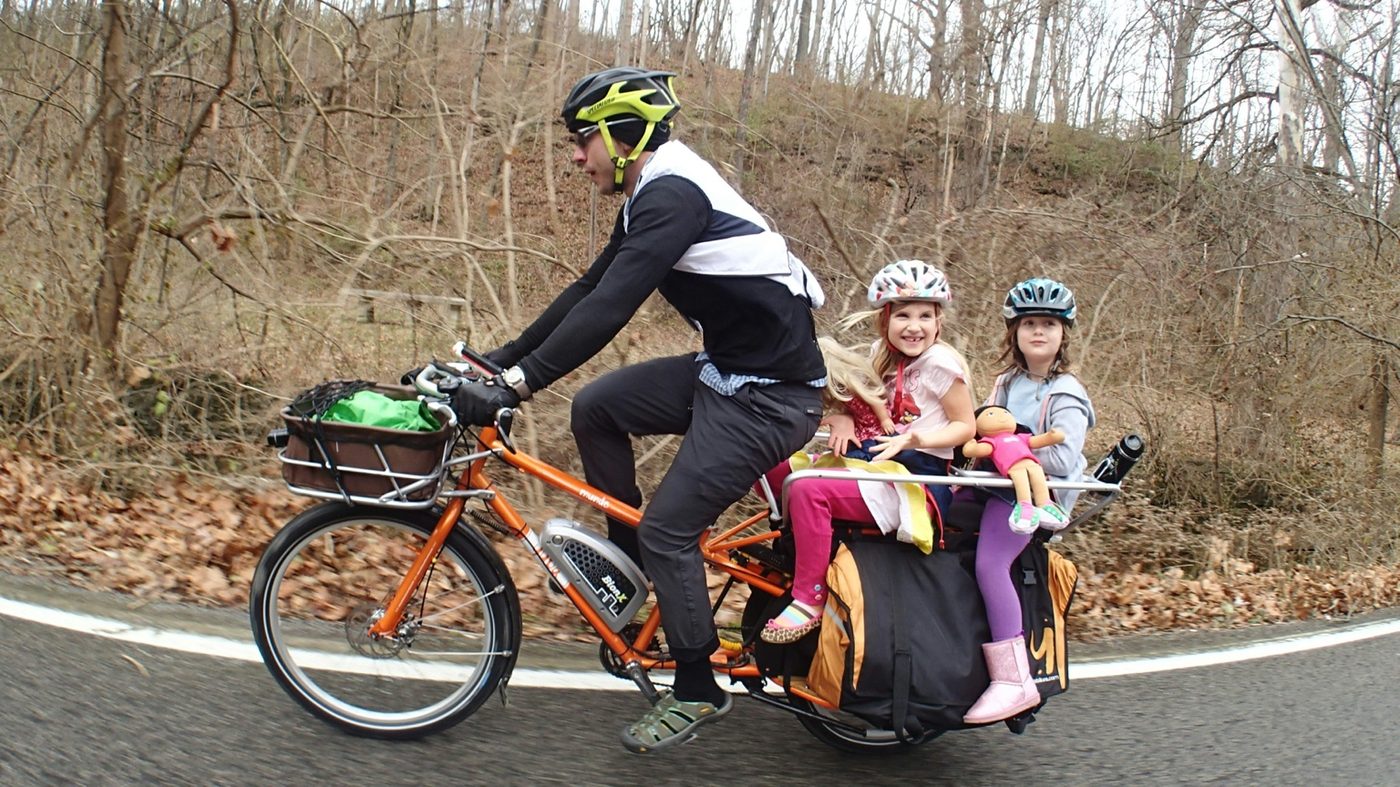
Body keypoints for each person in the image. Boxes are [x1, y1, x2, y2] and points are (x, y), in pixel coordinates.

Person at [450, 67, 827, 754]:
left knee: (671, 530)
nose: (575, 155)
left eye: (583, 139)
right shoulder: (656, 190)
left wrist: (517, 385)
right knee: (596, 407)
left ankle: (696, 687)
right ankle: (634, 578)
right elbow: (589, 287)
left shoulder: (674, 195)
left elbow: (611, 305)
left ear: (624, 135)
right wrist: (499, 361)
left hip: (771, 399)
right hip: (727, 374)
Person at [759, 259, 976, 644]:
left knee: (810, 488)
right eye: (904, 315)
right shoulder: (882, 355)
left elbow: (965, 427)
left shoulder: (940, 363)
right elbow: (864, 403)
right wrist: (842, 415)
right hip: (873, 462)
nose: (915, 326)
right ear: (884, 320)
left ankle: (808, 597)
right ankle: (801, 550)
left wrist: (916, 440)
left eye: (926, 315)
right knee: (771, 465)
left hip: (915, 479)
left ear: (939, 322)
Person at [962, 276, 1095, 725]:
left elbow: (1062, 455)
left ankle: (1013, 680)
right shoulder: (1006, 382)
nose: (1039, 332)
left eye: (1050, 325)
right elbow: (982, 426)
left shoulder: (1068, 392)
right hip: (995, 484)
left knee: (990, 564)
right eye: (1030, 323)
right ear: (1014, 333)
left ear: (1064, 335)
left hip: (1037, 497)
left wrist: (1010, 447)